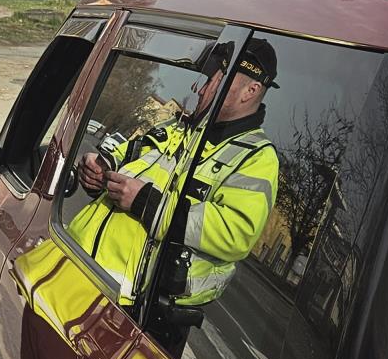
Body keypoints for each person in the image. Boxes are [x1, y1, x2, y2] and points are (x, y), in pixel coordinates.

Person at [70, 39, 280, 324]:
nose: (200, 89)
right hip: (76, 257)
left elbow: (234, 232)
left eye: (214, 80)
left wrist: (147, 203)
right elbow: (129, 152)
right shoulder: (180, 127)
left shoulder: (258, 158)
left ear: (250, 91)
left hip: (126, 306)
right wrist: (102, 167)